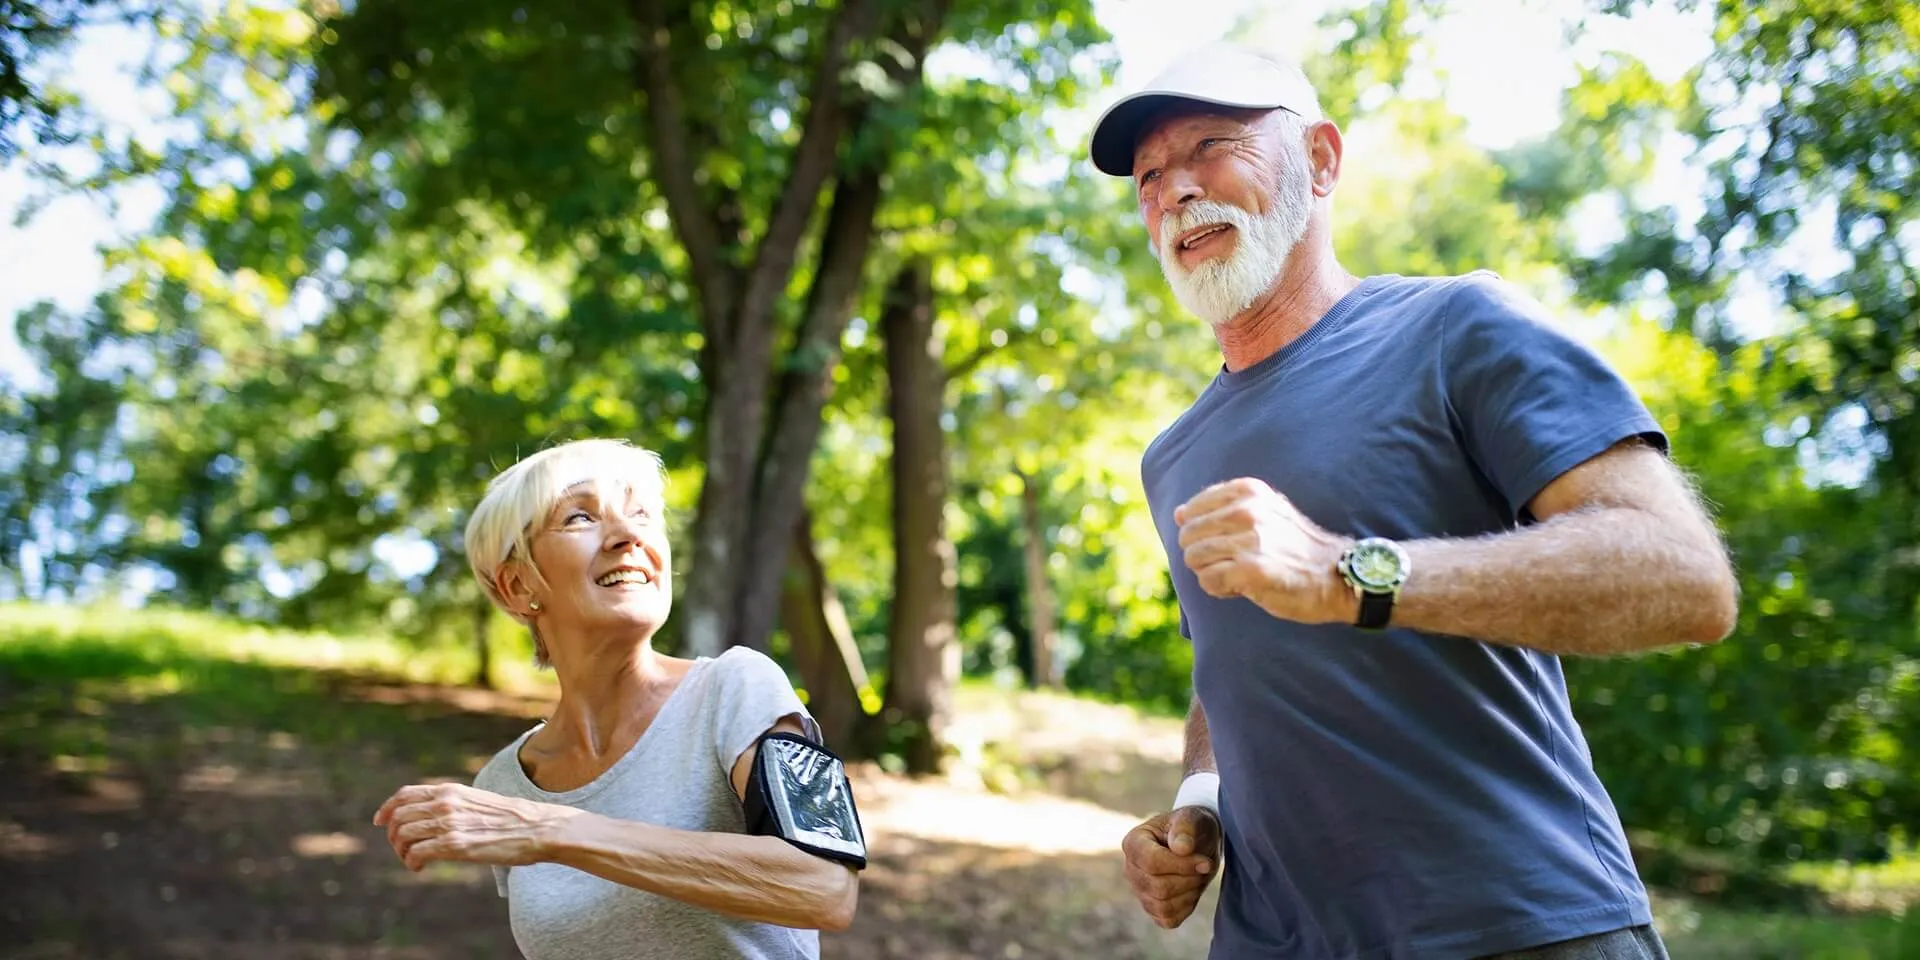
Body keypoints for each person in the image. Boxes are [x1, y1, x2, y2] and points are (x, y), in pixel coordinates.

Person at [1088, 43, 1739, 960]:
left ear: (1320, 160)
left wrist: (1352, 573)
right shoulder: (1173, 456)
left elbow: (1687, 577)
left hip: (1521, 925)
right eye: (1149, 175)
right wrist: (1199, 805)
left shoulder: (1457, 327)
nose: (1175, 190)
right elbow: (1229, 667)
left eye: (1211, 146)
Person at [371, 438, 866, 959]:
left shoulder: (736, 688)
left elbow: (825, 884)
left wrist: (552, 829)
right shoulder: (503, 785)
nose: (628, 535)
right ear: (517, 586)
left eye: (642, 515)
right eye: (581, 517)